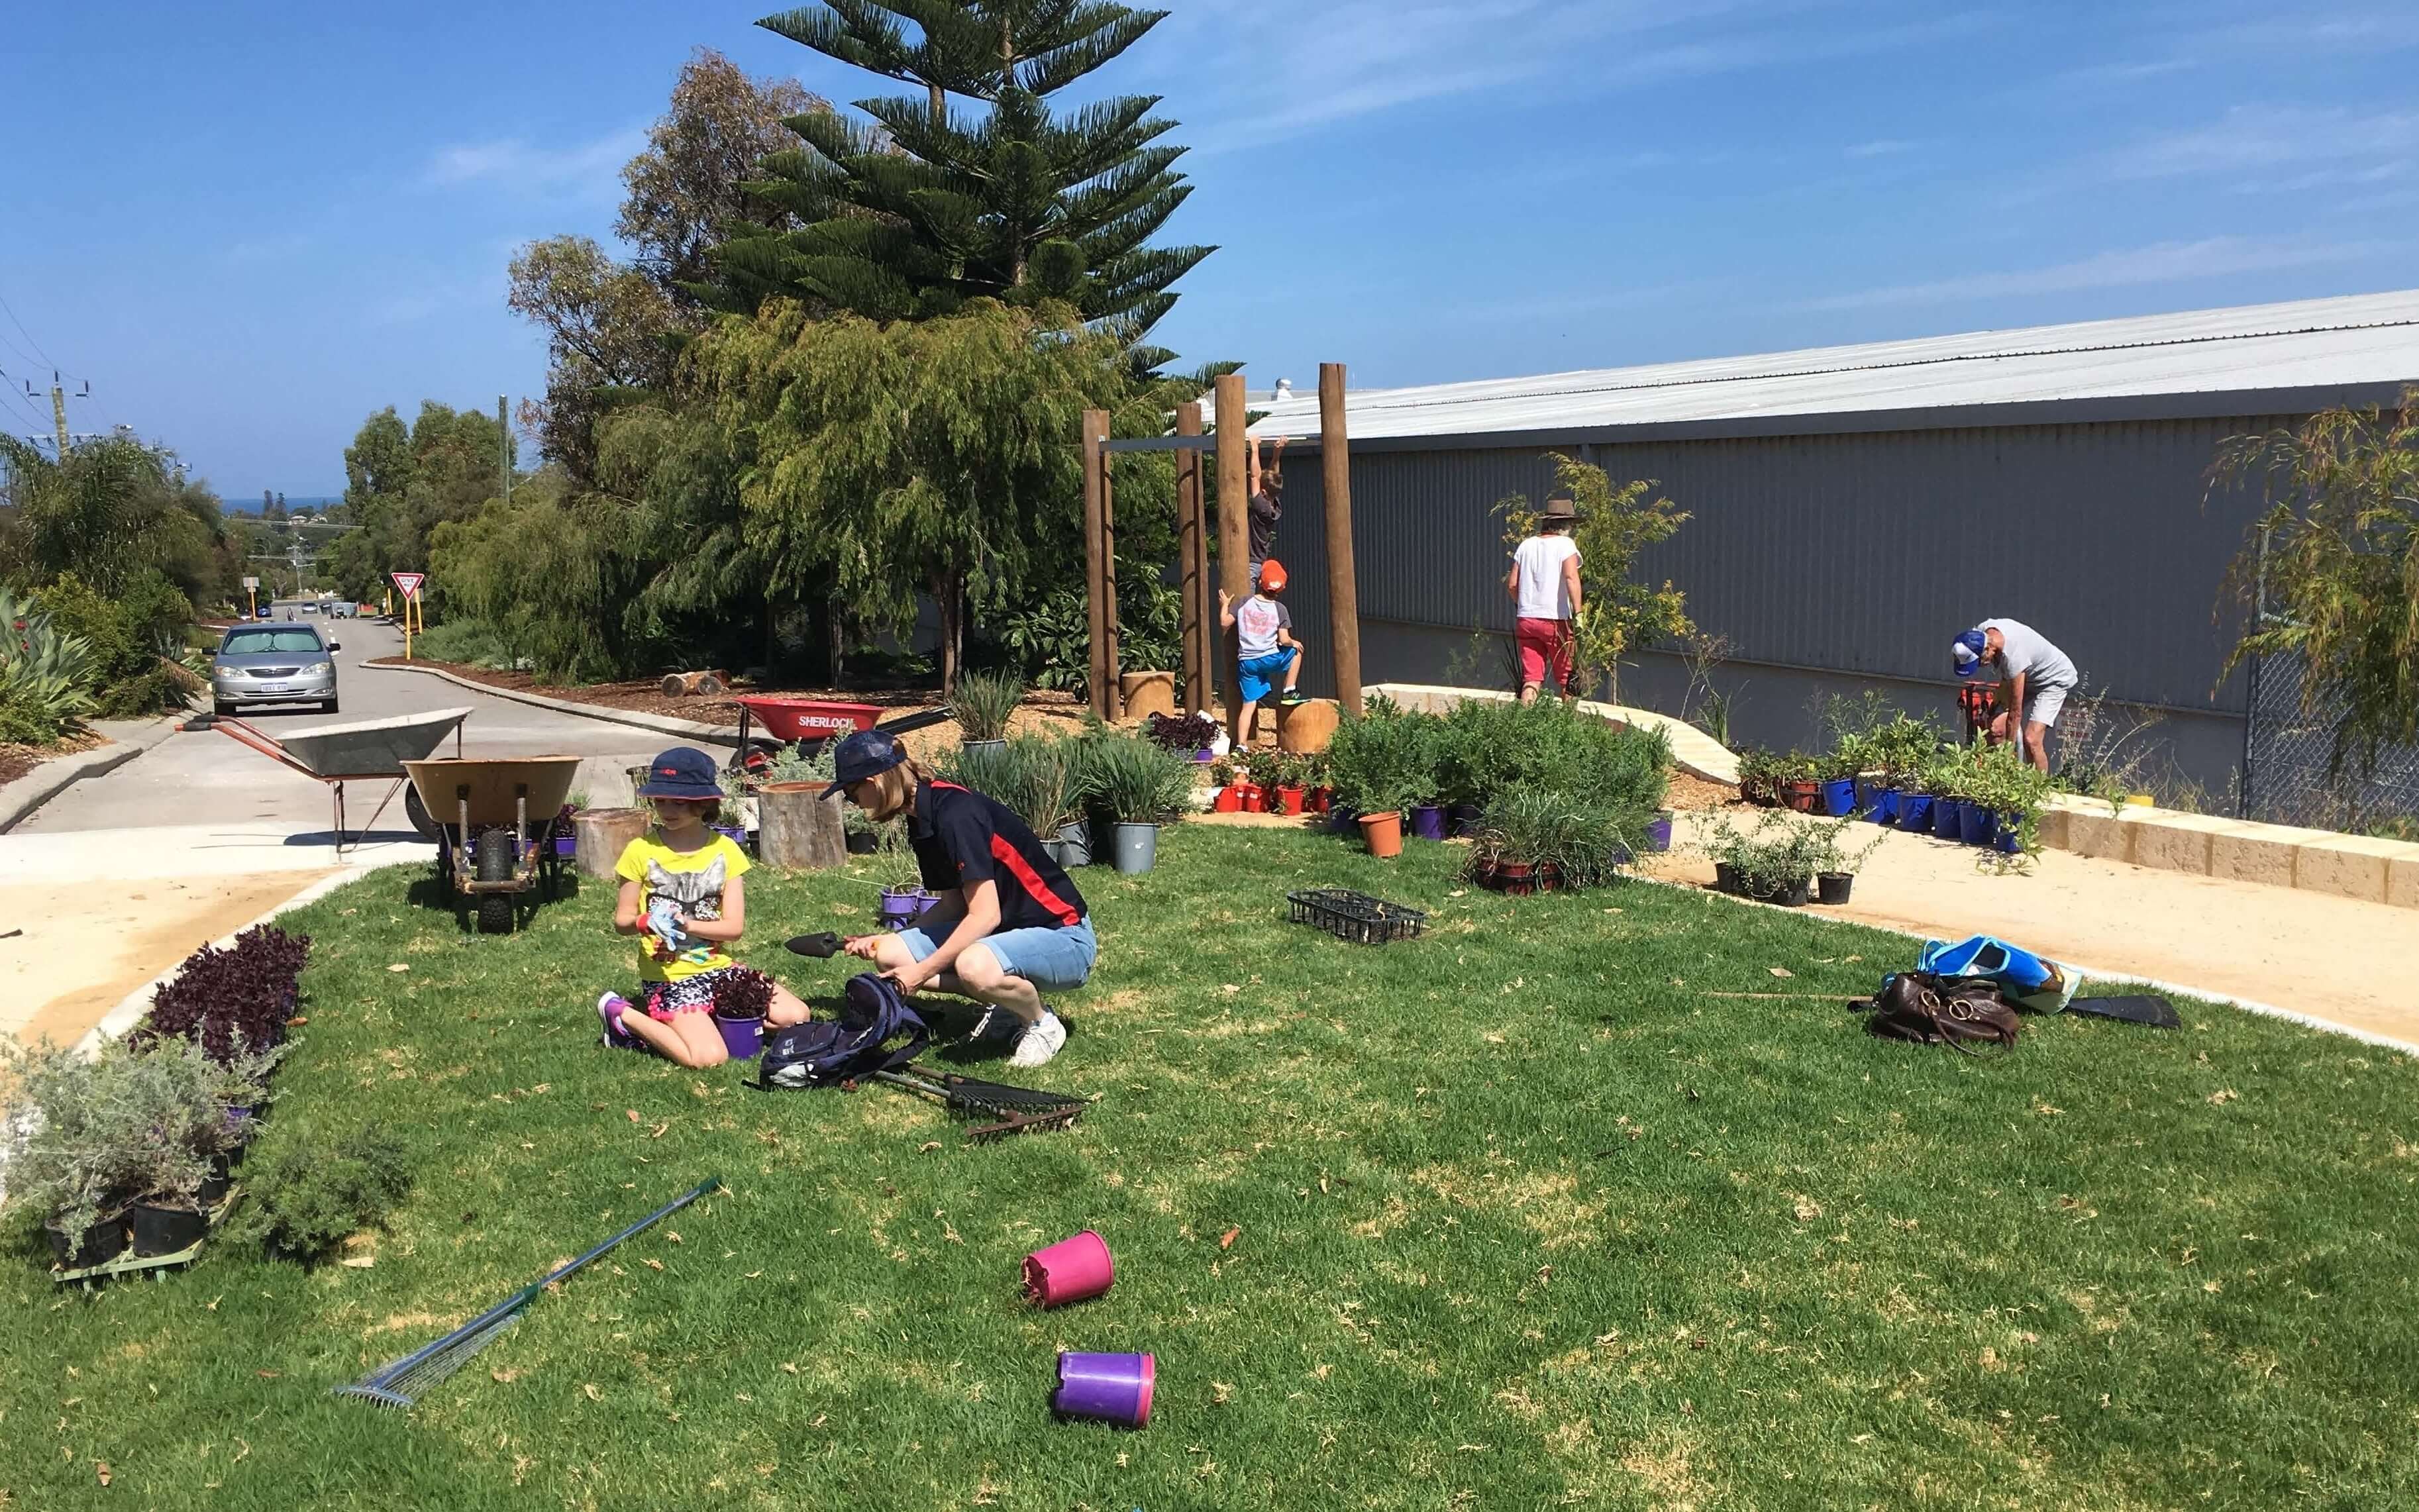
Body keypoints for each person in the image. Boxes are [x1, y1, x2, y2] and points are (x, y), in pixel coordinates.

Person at [824, 729, 1094, 1070]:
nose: (855, 803)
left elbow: (985, 916)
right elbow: (954, 904)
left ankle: (1041, 1022)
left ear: (874, 782)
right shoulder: (921, 817)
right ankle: (1007, 1005)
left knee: (973, 967)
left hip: (1064, 936)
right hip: (1008, 934)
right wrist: (891, 939)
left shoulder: (956, 814)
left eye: (851, 794)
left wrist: (920, 973)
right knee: (891, 954)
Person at [596, 746, 810, 1066]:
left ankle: (706, 1020)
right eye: (660, 801)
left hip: (719, 970)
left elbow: (734, 929)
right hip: (669, 977)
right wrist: (646, 922)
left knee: (796, 1016)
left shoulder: (726, 850)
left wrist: (688, 925)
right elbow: (622, 921)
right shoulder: (640, 850)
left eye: (679, 802)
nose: (667, 809)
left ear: (704, 803)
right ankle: (622, 1014)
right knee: (709, 1058)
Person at [1953, 619, 2079, 774]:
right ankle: (1999, 774)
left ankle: (2038, 785)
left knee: (2032, 740)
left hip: (2053, 679)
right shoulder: (1982, 632)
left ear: (1989, 649)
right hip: (2028, 675)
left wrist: (2007, 755)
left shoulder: (2013, 657)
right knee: (1996, 729)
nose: (1980, 666)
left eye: (1979, 662)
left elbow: (2015, 713)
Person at [1219, 557, 1306, 749]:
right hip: (1269, 658)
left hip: (1248, 662)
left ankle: (1241, 745)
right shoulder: (1280, 609)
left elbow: (1225, 623)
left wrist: (1225, 604)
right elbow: (1284, 639)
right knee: (1296, 651)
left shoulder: (1244, 602)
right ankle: (1289, 690)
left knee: (1248, 704)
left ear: (1260, 582)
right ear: (1282, 588)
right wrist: (1294, 642)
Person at [1508, 491, 1584, 703]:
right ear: (1566, 525)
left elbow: (1512, 584)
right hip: (1555, 620)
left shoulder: (1526, 545)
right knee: (1567, 677)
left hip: (1526, 619)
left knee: (1531, 678)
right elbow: (1571, 577)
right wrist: (1578, 613)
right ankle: (1569, 720)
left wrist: (1524, 604)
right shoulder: (1565, 545)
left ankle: (1525, 718)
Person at [1247, 432, 1289, 574]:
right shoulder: (1274, 506)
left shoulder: (1261, 507)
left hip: (1251, 563)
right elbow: (1272, 477)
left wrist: (1255, 448)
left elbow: (1255, 477)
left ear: (1263, 492)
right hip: (1259, 560)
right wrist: (1277, 453)